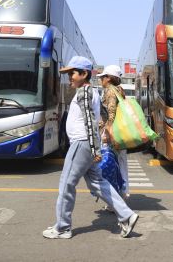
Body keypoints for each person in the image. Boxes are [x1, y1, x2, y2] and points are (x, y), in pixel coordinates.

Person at [42, 56, 138, 239]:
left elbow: (89, 122)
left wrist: (95, 150)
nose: (69, 77)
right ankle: (127, 215)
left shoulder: (84, 92)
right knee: (98, 183)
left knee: (66, 184)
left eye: (73, 73)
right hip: (86, 144)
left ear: (84, 74)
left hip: (81, 143)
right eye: (68, 73)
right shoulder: (89, 91)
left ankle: (62, 227)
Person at [97, 65, 130, 201]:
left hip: (112, 134)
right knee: (121, 164)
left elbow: (111, 113)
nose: (101, 80)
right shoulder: (119, 90)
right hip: (120, 133)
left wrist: (106, 133)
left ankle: (114, 199)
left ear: (108, 78)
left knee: (110, 165)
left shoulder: (110, 91)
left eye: (103, 77)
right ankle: (124, 192)